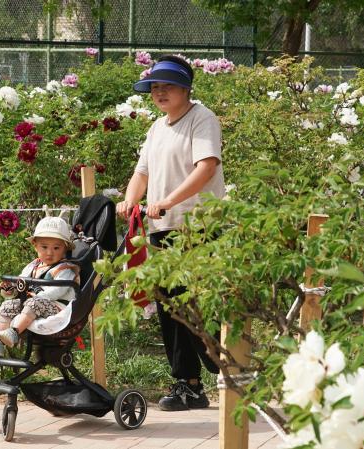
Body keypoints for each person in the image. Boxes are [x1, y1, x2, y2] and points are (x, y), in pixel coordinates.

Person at [116, 54, 225, 411]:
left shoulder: (201, 119)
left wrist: (166, 201)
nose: (160, 92)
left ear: (186, 88)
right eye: (155, 87)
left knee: (195, 304)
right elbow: (141, 173)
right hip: (161, 227)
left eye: (168, 86)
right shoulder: (157, 127)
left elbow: (206, 168)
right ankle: (188, 384)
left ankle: (225, 366)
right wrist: (130, 202)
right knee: (169, 307)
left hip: (198, 227)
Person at [0, 215, 79, 357]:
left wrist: (32, 296)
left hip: (57, 309)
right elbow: (21, 285)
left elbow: (57, 291)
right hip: (32, 304)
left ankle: (14, 332)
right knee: (8, 305)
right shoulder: (33, 266)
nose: (49, 252)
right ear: (35, 245)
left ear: (65, 248)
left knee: (33, 302)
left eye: (56, 248)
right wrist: (10, 289)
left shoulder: (65, 269)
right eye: (44, 247)